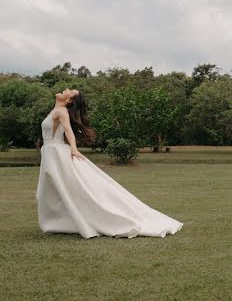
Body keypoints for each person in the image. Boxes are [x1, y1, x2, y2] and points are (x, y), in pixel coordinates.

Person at [37, 89, 183, 239]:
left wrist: (74, 149)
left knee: (72, 186)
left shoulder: (62, 111)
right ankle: (61, 221)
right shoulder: (55, 110)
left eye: (69, 91)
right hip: (50, 152)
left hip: (57, 152)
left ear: (68, 101)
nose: (65, 89)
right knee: (52, 189)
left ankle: (79, 219)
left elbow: (68, 130)